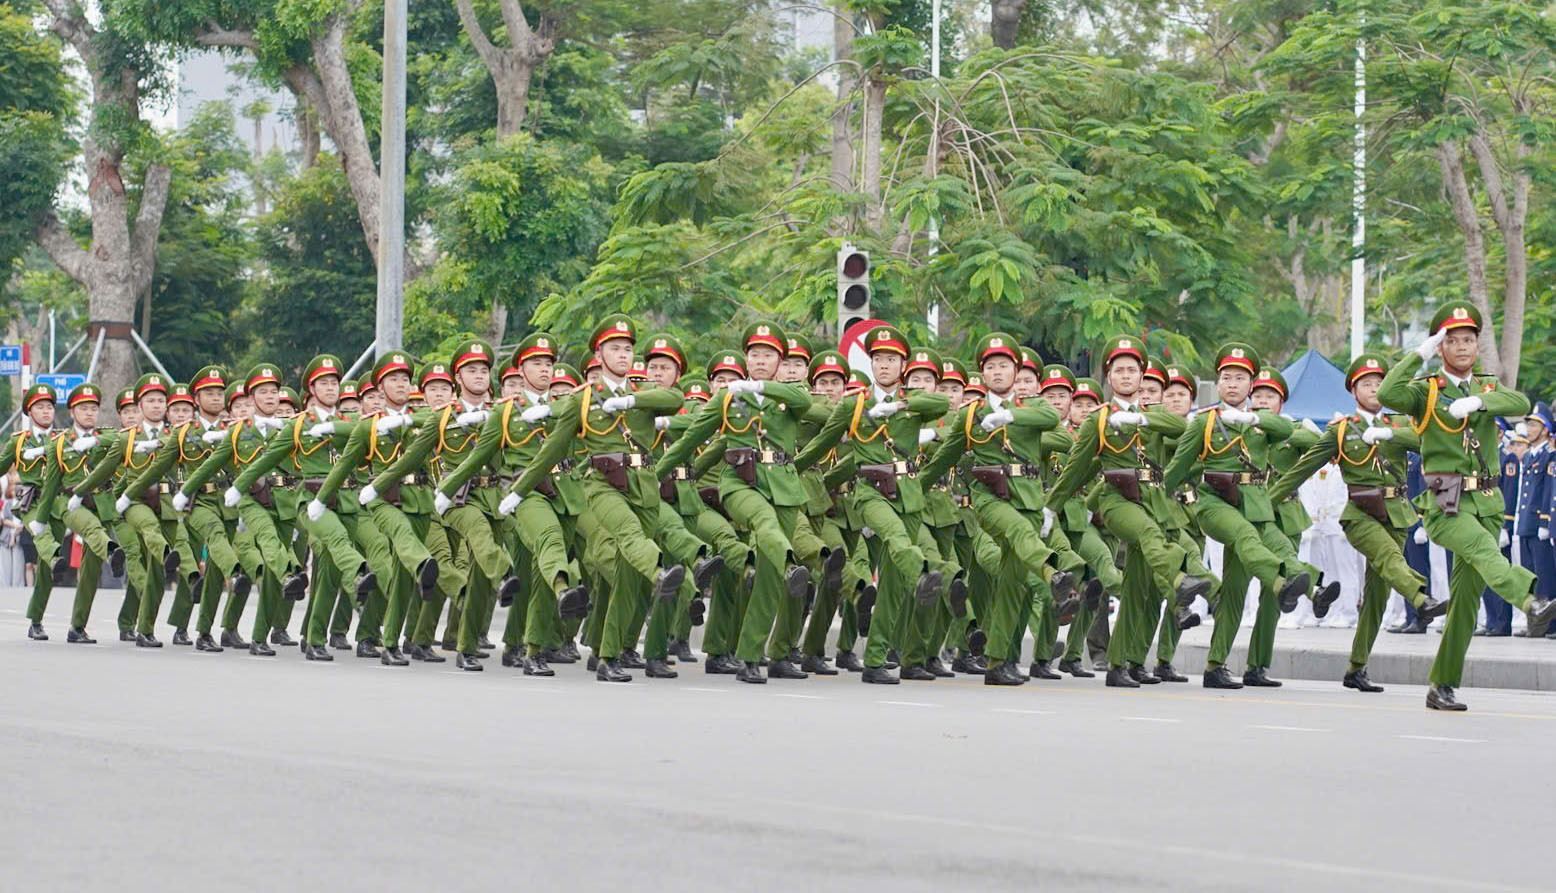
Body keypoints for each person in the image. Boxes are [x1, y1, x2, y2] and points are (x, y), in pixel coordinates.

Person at [1378, 301, 1556, 710]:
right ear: (1442, 347)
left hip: (1488, 501)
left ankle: (1441, 684)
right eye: (1452, 340)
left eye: (1468, 339)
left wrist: (1479, 403)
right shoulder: (1425, 391)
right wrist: (1419, 353)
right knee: (1483, 550)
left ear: (1478, 345)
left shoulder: (1488, 387)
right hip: (1446, 502)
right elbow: (1388, 393)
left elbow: (1519, 401)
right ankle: (1531, 601)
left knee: (1464, 601)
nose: (1461, 347)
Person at [1269, 353, 1448, 692]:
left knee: (1377, 595)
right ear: (1354, 391)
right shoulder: (1341, 430)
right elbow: (1301, 470)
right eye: (1367, 384)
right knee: (1389, 558)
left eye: (1380, 383)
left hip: (1396, 512)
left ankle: (1356, 667)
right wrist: (1266, 505)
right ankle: (1422, 598)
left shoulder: (1399, 425)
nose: (1375, 389)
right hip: (1360, 513)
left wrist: (1387, 435)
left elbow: (1427, 443)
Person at [1163, 343, 1312, 689]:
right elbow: (1178, 469)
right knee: (1239, 589)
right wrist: (1162, 505)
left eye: (1240, 378)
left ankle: (1246, 666)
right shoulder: (1205, 422)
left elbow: (1291, 433)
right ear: (1217, 384)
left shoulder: (1265, 424)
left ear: (1250, 384)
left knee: (1251, 595)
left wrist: (1255, 417)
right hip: (1226, 509)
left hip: (1263, 515)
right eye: (1226, 377)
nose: (1233, 384)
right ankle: (1217, 664)